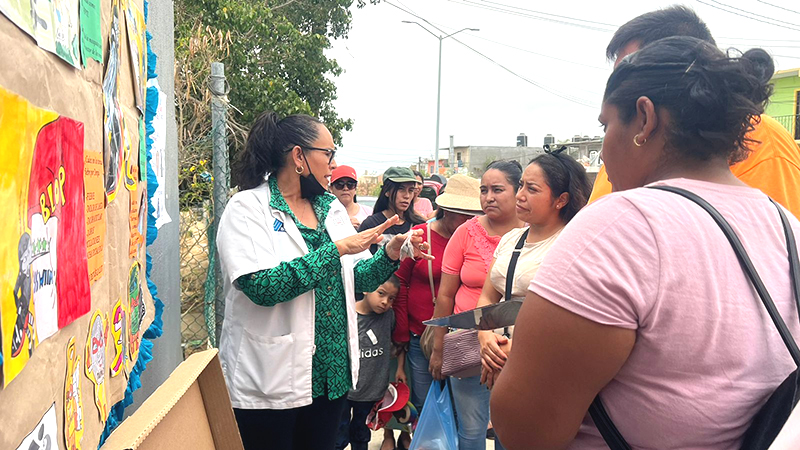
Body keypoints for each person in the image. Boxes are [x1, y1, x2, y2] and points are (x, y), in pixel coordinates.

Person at [491, 37, 800, 449]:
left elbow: (525, 431)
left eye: (605, 126)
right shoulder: (787, 226)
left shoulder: (622, 225)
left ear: (644, 119)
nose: (601, 150)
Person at [216, 112, 431, 450]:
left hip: (332, 376)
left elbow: (358, 276)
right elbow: (262, 286)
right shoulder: (247, 208)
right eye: (328, 153)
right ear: (299, 156)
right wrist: (338, 249)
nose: (334, 163)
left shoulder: (328, 207)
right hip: (272, 380)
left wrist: (391, 253)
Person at [587, 6, 800, 219]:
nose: (617, 91)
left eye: (631, 73)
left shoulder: (761, 138)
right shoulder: (623, 150)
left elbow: (767, 245)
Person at [429, 161, 525, 450]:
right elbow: (445, 295)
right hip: (469, 345)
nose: (489, 197)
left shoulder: (534, 234)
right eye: (484, 190)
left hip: (518, 348)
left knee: (511, 430)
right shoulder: (466, 233)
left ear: (518, 191)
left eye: (498, 189)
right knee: (470, 430)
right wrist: (438, 348)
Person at [476, 152, 591, 389]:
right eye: (520, 186)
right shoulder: (511, 239)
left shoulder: (573, 245)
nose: (520, 196)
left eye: (532, 189)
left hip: (541, 367)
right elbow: (488, 296)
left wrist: (514, 349)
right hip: (497, 357)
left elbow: (566, 321)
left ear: (561, 200)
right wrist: (485, 335)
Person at [393, 174, 484, 413]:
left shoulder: (476, 239)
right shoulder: (421, 235)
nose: (467, 219)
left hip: (461, 337)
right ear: (444, 208)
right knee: (426, 406)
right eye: (460, 212)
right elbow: (400, 284)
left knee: (459, 409)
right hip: (420, 334)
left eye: (472, 214)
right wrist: (401, 332)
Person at [336, 276, 401, 450]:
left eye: (391, 298)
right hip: (345, 389)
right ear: (366, 288)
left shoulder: (389, 317)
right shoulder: (347, 315)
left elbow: (398, 343)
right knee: (338, 434)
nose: (385, 302)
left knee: (362, 434)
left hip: (371, 390)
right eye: (381, 293)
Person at [359, 167, 426, 254]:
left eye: (411, 190)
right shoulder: (371, 224)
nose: (407, 196)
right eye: (401, 189)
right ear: (387, 191)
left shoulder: (418, 225)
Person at [330, 165, 373, 229]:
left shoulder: (369, 213)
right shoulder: (326, 215)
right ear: (331, 189)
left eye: (350, 185)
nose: (345, 188)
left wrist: (362, 227)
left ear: (355, 188)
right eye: (340, 185)